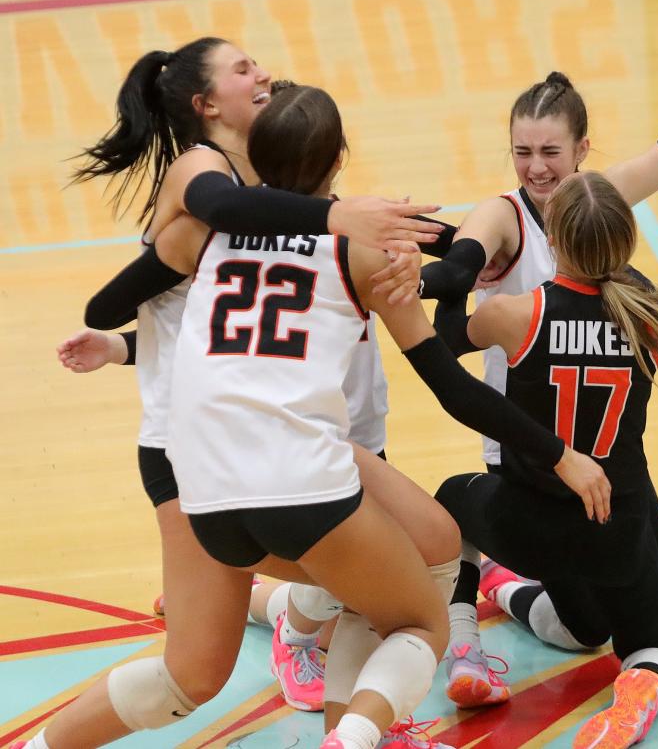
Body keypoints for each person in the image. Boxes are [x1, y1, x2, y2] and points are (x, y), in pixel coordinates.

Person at [22, 85, 610, 749]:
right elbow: (451, 384)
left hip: (201, 485)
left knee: (193, 676)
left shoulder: (203, 230)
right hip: (294, 472)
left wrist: (160, 286)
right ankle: (351, 738)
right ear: (340, 160)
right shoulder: (364, 250)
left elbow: (105, 308)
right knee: (423, 614)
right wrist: (559, 452)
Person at [24, 43, 450, 747]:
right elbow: (219, 227)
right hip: (202, 445)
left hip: (261, 429)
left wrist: (486, 240)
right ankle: (342, 697)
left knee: (382, 569)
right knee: (200, 671)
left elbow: (201, 316)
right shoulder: (206, 173)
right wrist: (343, 223)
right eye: (244, 68)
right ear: (206, 105)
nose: (265, 74)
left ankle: (344, 702)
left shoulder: (276, 196)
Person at [413, 0, 658, 706]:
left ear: (583, 150)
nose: (537, 169)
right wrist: (443, 256)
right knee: (593, 621)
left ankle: (631, 545)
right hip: (526, 454)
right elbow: (461, 261)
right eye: (522, 153)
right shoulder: (509, 215)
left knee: (637, 597)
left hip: (607, 454)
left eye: (551, 152)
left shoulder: (595, 202)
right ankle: (480, 627)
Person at [435, 171, 658, 749]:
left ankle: (464, 638)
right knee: (654, 644)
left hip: (531, 524)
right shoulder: (657, 320)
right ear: (625, 243)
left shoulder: (514, 313)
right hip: (616, 523)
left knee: (452, 497)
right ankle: (639, 691)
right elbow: (623, 283)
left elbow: (446, 336)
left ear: (552, 239)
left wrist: (457, 273)